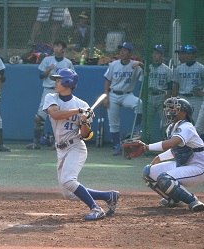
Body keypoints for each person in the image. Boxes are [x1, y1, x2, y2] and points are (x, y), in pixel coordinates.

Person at [43, 68, 119, 221]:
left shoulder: (82, 104)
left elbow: (86, 135)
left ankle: (96, 208)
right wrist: (78, 111)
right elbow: (55, 114)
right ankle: (108, 196)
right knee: (68, 193)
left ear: (68, 82)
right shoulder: (51, 97)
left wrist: (84, 121)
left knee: (69, 181)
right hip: (60, 149)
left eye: (59, 80)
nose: (56, 83)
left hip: (76, 147)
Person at [141, 97, 204, 211]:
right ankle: (174, 199)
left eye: (174, 109)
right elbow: (176, 149)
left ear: (184, 112)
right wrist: (159, 157)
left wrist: (146, 148)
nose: (170, 111)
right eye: (169, 109)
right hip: (183, 165)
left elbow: (171, 143)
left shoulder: (187, 127)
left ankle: (193, 201)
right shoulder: (172, 127)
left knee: (165, 178)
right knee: (148, 172)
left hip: (198, 168)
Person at [26, 40, 74, 149]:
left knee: (61, 117)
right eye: (55, 46)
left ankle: (59, 142)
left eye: (59, 46)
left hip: (62, 91)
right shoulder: (48, 60)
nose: (56, 49)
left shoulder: (67, 63)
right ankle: (36, 143)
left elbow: (72, 78)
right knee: (39, 117)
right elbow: (41, 75)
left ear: (63, 49)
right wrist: (49, 69)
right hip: (48, 90)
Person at [103, 42, 144, 156]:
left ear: (130, 53)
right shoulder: (113, 64)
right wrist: (106, 96)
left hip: (127, 94)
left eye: (125, 50)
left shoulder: (135, 65)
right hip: (113, 94)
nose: (122, 52)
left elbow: (146, 75)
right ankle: (116, 146)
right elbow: (107, 82)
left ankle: (137, 128)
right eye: (121, 50)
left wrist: (141, 65)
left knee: (138, 103)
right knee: (113, 123)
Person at [145, 45, 173, 142]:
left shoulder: (167, 70)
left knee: (166, 120)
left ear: (162, 55)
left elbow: (170, 86)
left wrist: (167, 98)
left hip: (162, 96)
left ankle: (168, 141)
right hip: (149, 95)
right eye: (154, 53)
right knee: (147, 122)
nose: (155, 55)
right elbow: (142, 85)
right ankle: (145, 141)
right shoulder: (147, 68)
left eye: (158, 53)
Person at [172, 45, 204, 125]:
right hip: (182, 97)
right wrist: (173, 100)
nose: (187, 55)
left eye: (189, 54)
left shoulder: (201, 68)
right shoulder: (179, 68)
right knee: (181, 123)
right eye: (186, 53)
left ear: (194, 55)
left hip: (196, 99)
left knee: (195, 124)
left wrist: (202, 93)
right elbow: (176, 85)